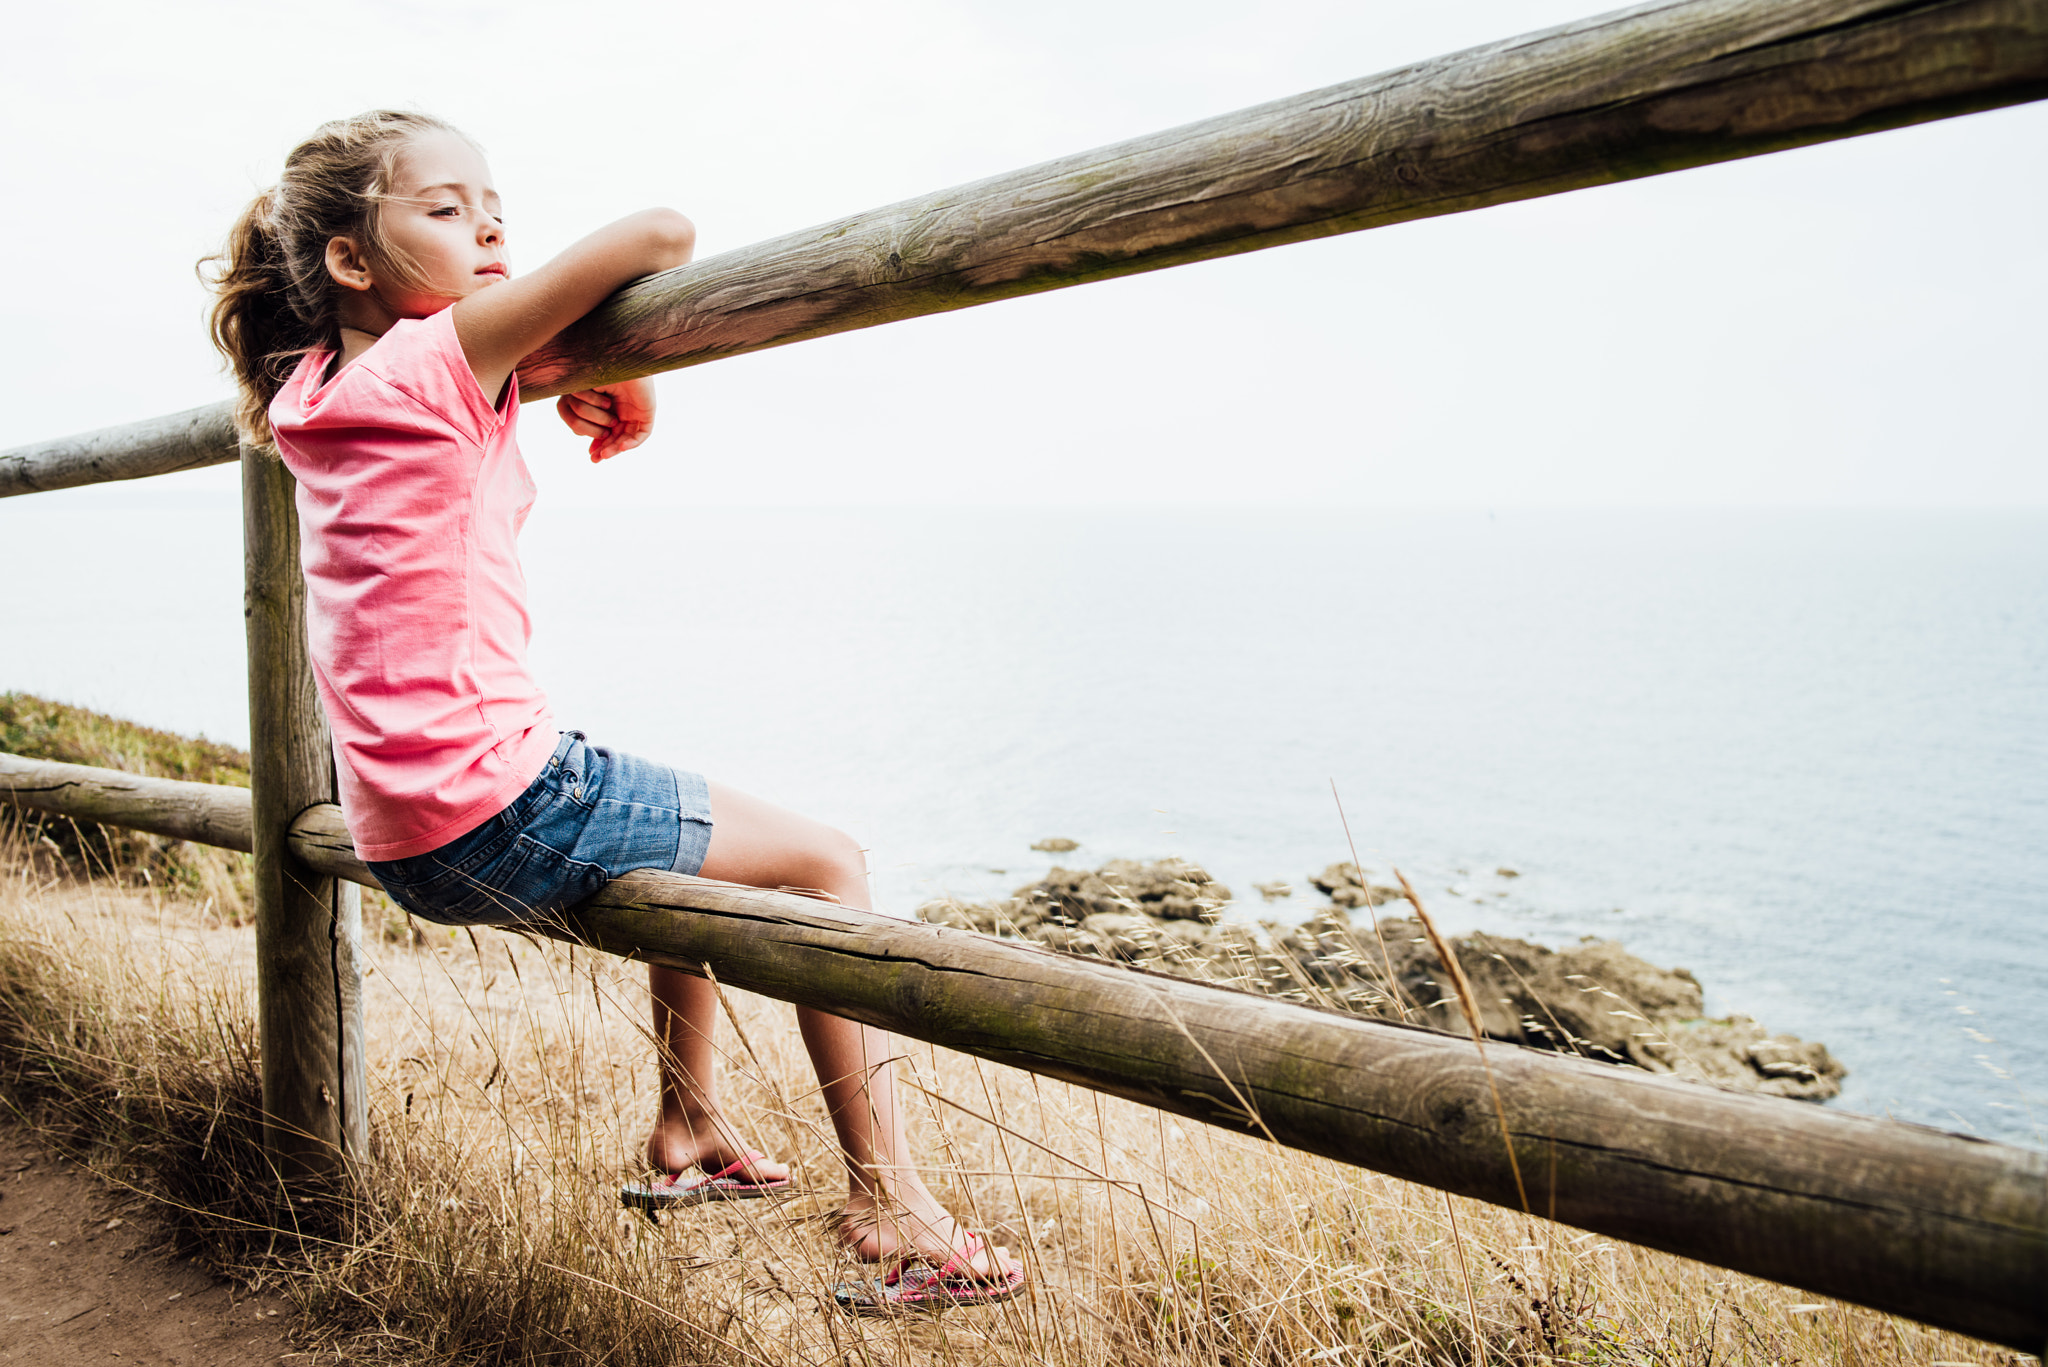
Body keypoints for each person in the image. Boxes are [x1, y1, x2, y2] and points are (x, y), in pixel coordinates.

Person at [203, 109, 1022, 1311]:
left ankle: (689, 1124)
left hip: (403, 831)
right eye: (446, 207)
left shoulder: (317, 389)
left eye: (497, 208)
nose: (487, 225)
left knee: (682, 824)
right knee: (827, 861)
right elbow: (662, 231)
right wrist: (615, 362)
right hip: (502, 800)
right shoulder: (438, 361)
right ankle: (893, 1200)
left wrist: (589, 371)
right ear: (347, 257)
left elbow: (497, 366)